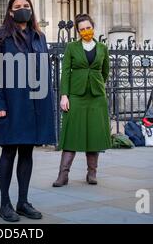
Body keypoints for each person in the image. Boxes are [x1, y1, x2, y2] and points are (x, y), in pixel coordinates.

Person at [0, 0, 55, 222]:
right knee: (9, 151)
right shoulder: (0, 37)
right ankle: (5, 203)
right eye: (18, 6)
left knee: (27, 152)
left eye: (27, 6)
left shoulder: (39, 36)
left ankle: (23, 201)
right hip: (10, 103)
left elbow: (44, 71)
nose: (23, 9)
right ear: (10, 11)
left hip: (34, 104)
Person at [53, 14, 111, 188]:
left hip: (96, 96)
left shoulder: (102, 47)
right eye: (82, 29)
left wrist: (97, 84)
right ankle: (63, 175)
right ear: (78, 31)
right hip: (76, 95)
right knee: (71, 133)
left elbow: (105, 71)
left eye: (88, 28)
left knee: (93, 133)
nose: (86, 31)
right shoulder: (72, 47)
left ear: (93, 27)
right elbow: (66, 72)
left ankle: (92, 173)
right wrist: (65, 95)